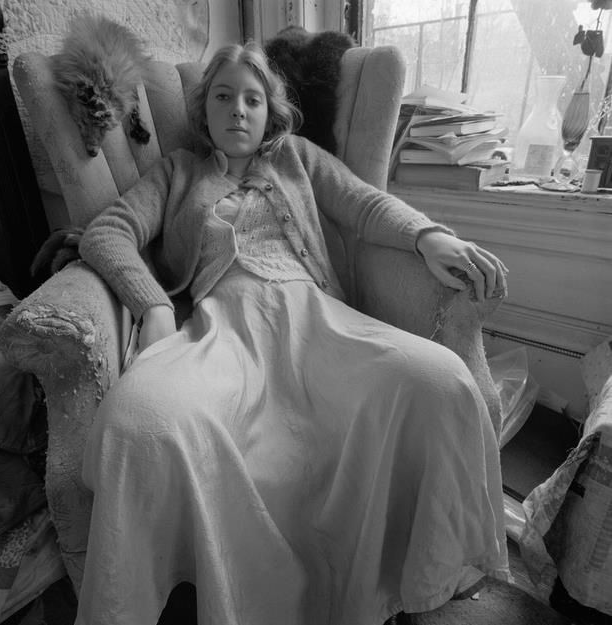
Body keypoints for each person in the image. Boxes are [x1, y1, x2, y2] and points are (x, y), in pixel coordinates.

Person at [75, 41, 510, 625]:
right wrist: (153, 305)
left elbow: (363, 204)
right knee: (137, 423)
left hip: (320, 322)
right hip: (223, 329)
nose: (237, 110)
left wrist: (428, 236)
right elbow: (106, 233)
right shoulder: (176, 172)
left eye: (252, 99)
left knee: (442, 380)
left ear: (269, 112)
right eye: (224, 97)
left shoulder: (298, 158)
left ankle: (423, 569)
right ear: (203, 110)